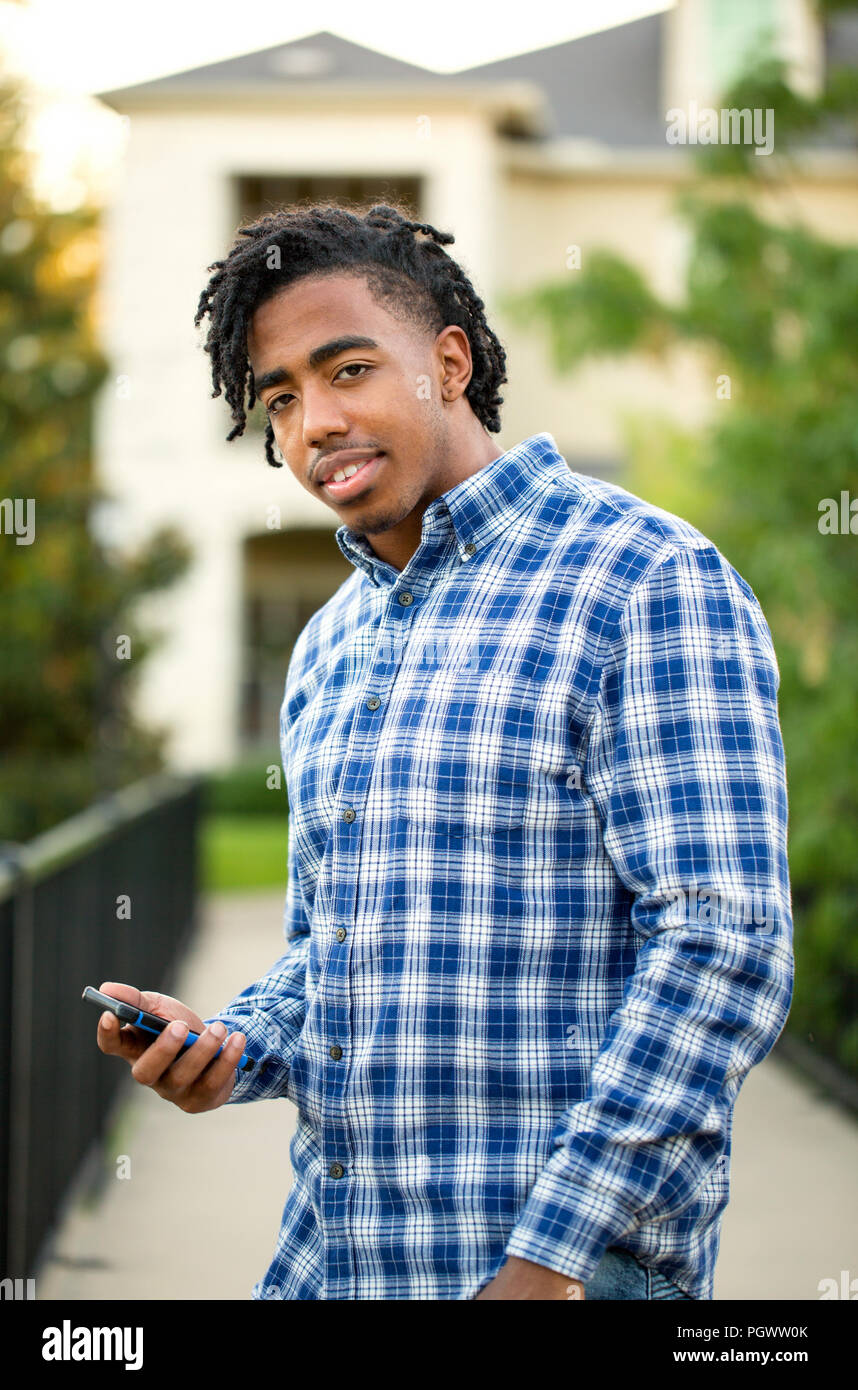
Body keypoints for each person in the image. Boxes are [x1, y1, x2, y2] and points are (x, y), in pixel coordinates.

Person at [97, 203, 794, 1301]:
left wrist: (542, 1260)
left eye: (348, 370)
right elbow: (335, 951)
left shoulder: (643, 577)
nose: (314, 420)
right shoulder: (332, 641)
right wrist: (232, 1045)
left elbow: (723, 946)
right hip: (336, 1260)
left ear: (449, 363)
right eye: (279, 397)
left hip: (558, 1276)